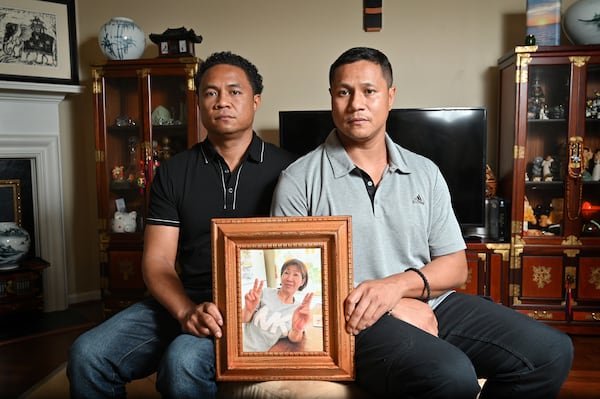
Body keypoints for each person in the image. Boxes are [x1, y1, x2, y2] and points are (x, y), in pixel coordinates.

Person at [270, 47, 574, 399]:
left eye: (369, 91)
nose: (356, 103)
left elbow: (455, 267)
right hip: (352, 319)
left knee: (550, 352)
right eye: (344, 92)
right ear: (332, 99)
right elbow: (293, 280)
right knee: (451, 376)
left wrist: (397, 288)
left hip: (431, 302)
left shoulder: (425, 172)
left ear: (390, 97)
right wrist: (390, 302)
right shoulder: (299, 179)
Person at [67, 51, 296, 399]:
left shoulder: (291, 170)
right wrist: (185, 311)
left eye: (235, 92)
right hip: (184, 297)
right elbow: (157, 262)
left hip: (251, 307)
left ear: (256, 100)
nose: (223, 102)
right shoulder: (174, 172)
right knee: (88, 354)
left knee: (182, 359)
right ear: (199, 103)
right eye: (210, 92)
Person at [242, 258, 313, 352]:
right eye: (286, 273)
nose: (289, 278)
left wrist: (297, 328)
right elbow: (244, 319)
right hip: (243, 350)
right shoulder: (265, 293)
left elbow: (294, 338)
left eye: (295, 274)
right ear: (281, 276)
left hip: (267, 358)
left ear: (302, 282)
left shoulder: (299, 309)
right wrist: (248, 309)